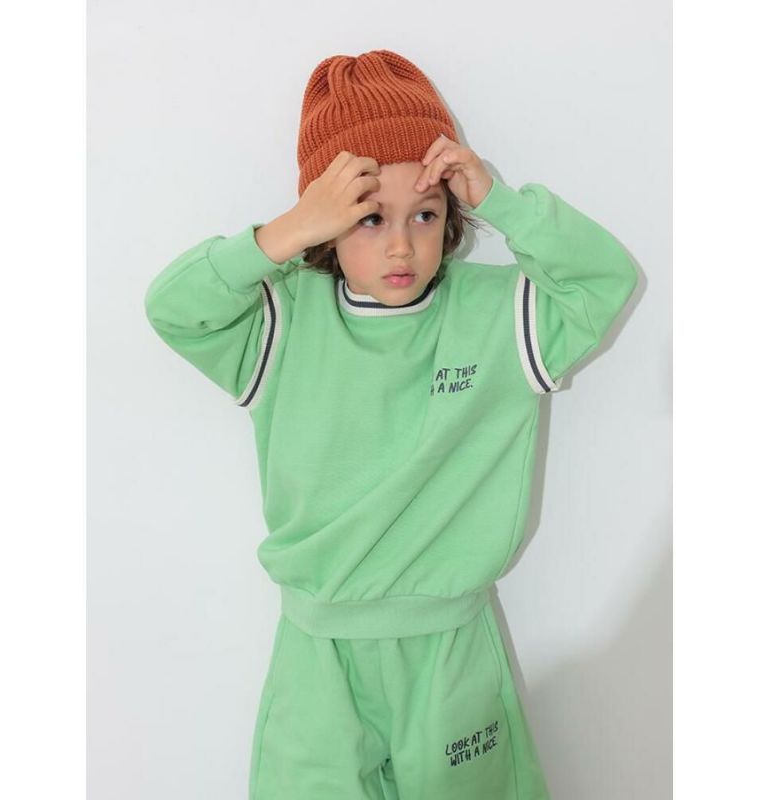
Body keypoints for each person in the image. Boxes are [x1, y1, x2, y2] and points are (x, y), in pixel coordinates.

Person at [143, 48, 638, 800]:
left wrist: (502, 201)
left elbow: (605, 281)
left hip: (449, 650)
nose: (401, 245)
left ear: (453, 216)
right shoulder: (281, 321)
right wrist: (285, 231)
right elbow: (172, 308)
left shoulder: (499, 316)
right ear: (327, 220)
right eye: (369, 217)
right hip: (318, 654)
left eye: (426, 215)